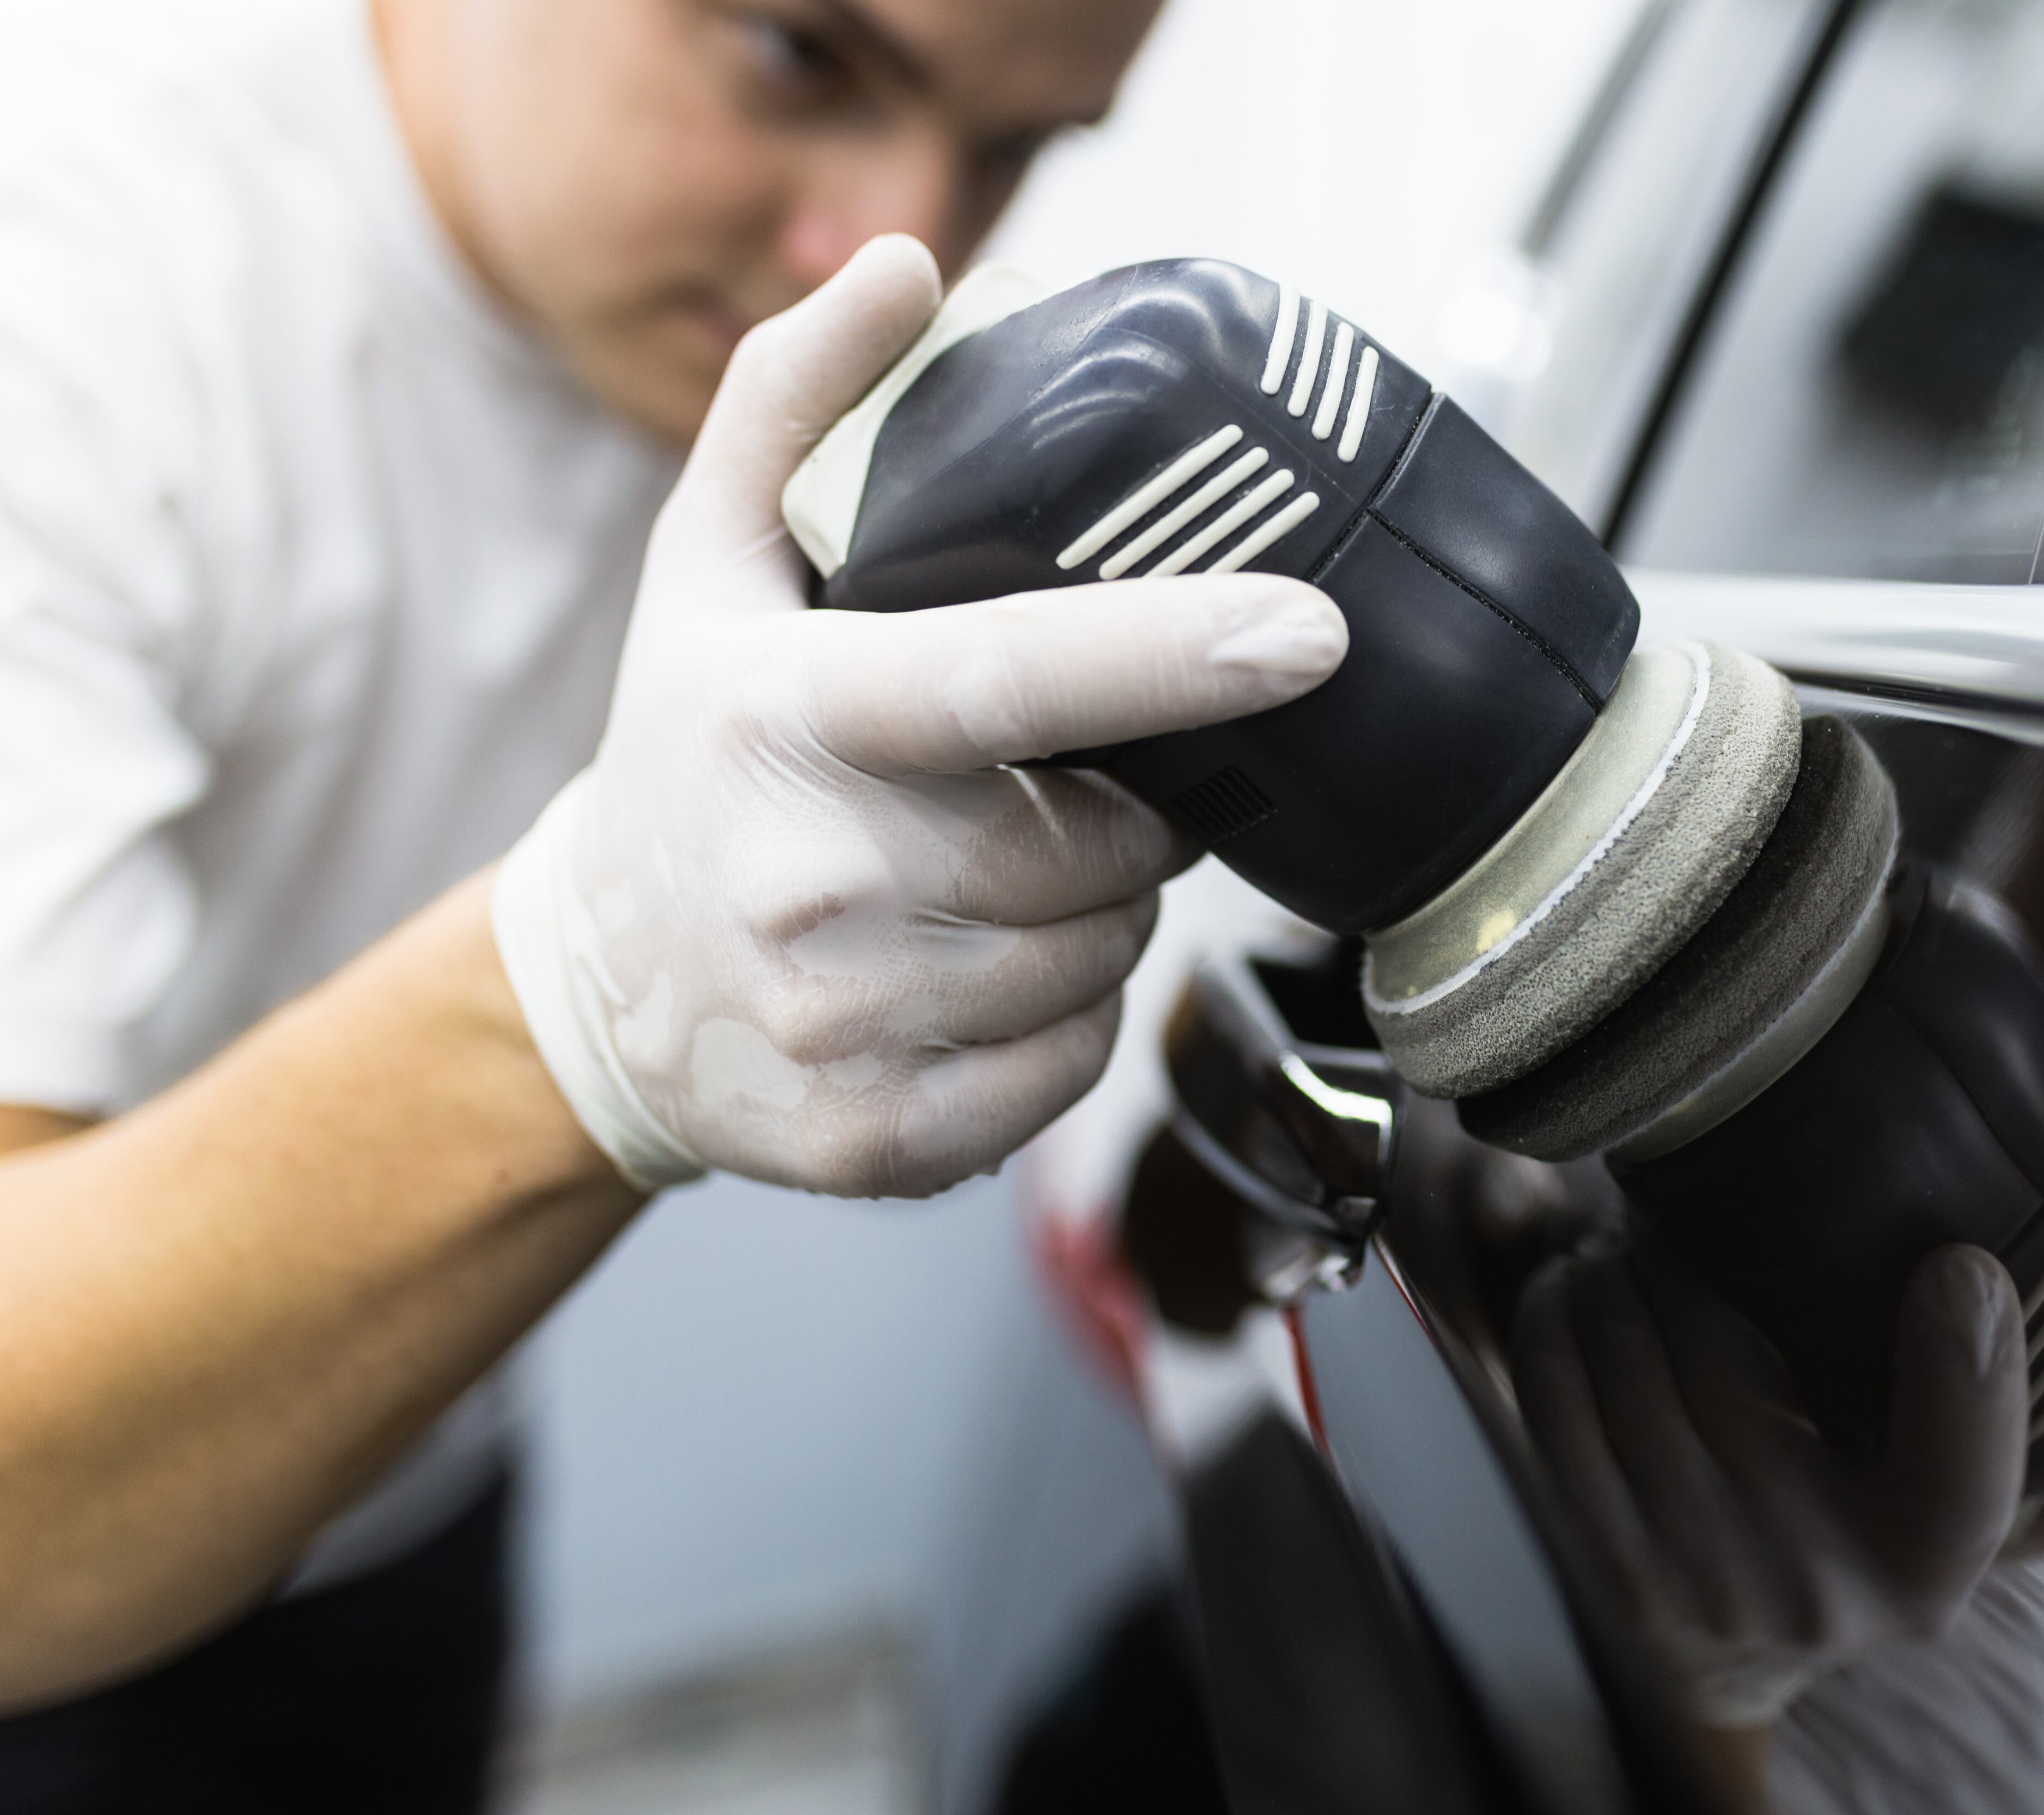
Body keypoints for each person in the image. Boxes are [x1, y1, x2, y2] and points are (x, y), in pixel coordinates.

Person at [0, 0, 1349, 1802]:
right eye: (800, 54)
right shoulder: (72, 282)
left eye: (1017, 146)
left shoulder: (761, 328)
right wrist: (580, 1003)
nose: (879, 242)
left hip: (414, 1473)